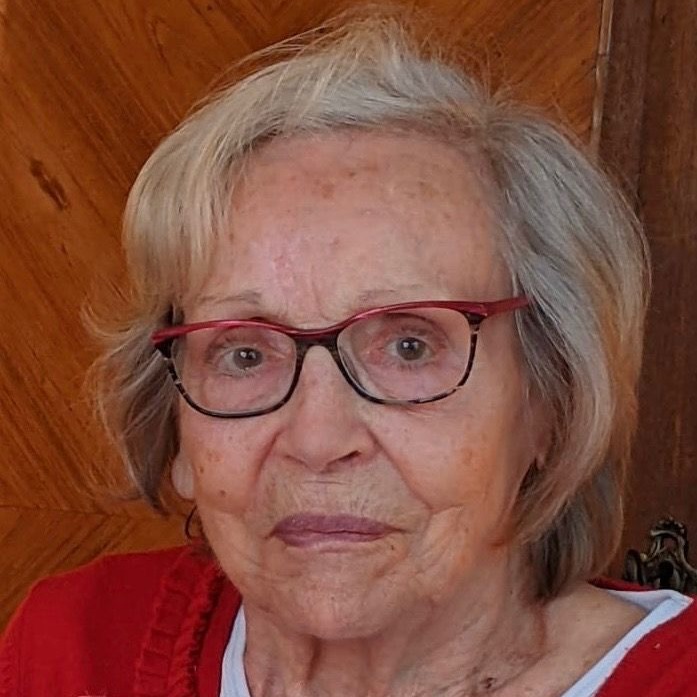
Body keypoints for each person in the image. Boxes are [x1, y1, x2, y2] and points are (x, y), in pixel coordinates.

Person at [2, 9, 695, 697]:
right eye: (244, 354)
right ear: (177, 430)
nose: (318, 440)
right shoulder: (73, 649)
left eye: (409, 345)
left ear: (551, 403)